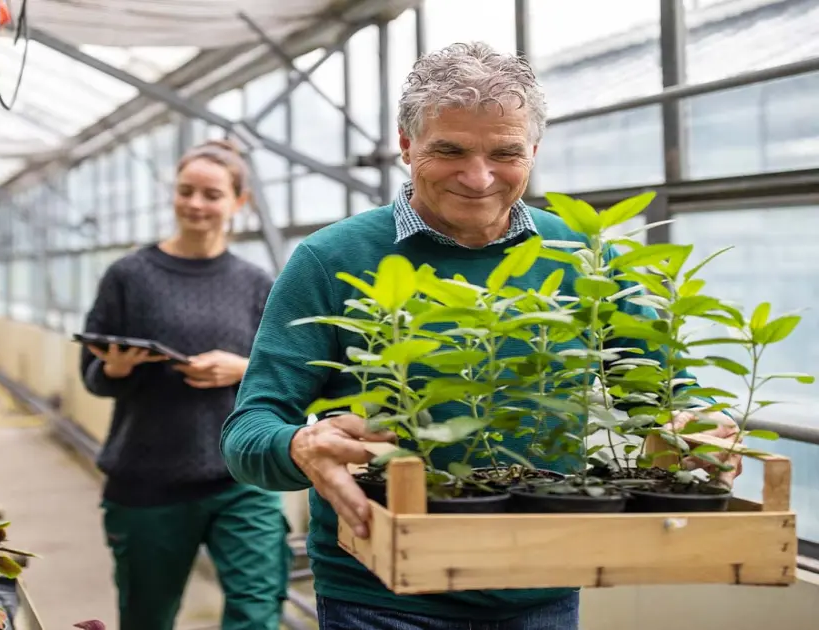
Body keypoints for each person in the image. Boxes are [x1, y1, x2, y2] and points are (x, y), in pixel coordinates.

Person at [221, 42, 741, 630]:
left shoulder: (586, 258)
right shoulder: (329, 258)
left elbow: (668, 399)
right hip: (382, 595)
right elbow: (248, 433)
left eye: (505, 152)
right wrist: (297, 445)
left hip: (540, 588)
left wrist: (695, 429)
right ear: (405, 144)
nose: (478, 176)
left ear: (534, 151)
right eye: (449, 150)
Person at [79, 139, 291, 630]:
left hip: (243, 477)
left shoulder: (258, 282)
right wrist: (116, 367)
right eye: (185, 191)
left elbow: (285, 371)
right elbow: (90, 377)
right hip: (149, 479)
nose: (196, 204)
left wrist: (239, 369)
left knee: (257, 614)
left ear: (239, 203)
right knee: (147, 617)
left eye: (211, 194)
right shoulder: (129, 275)